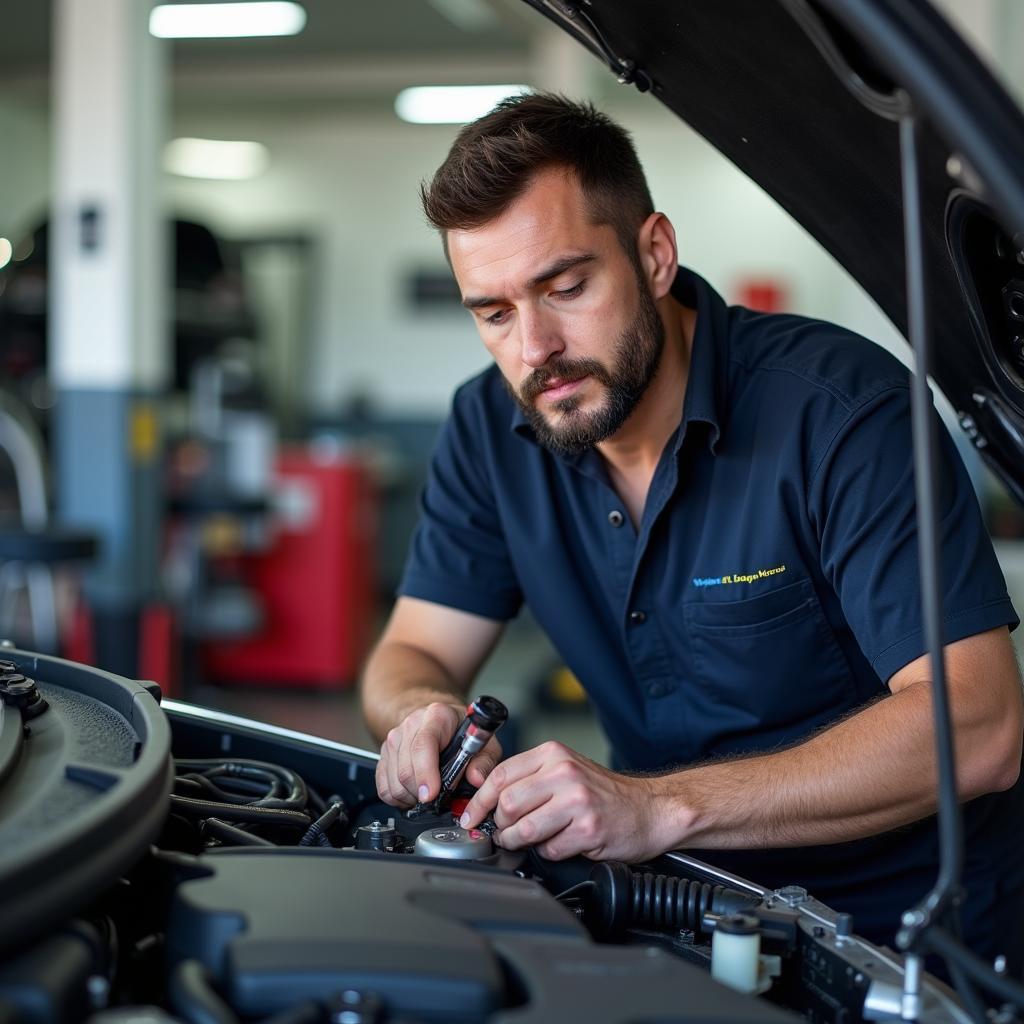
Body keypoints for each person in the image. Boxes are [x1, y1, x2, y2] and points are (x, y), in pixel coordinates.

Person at [359, 92, 1024, 962]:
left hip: (920, 939)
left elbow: (978, 727)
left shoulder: (842, 413)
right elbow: (412, 654)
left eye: (565, 287)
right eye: (493, 312)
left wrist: (656, 807)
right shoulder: (490, 429)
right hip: (676, 909)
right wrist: (421, 714)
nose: (534, 347)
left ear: (655, 254)